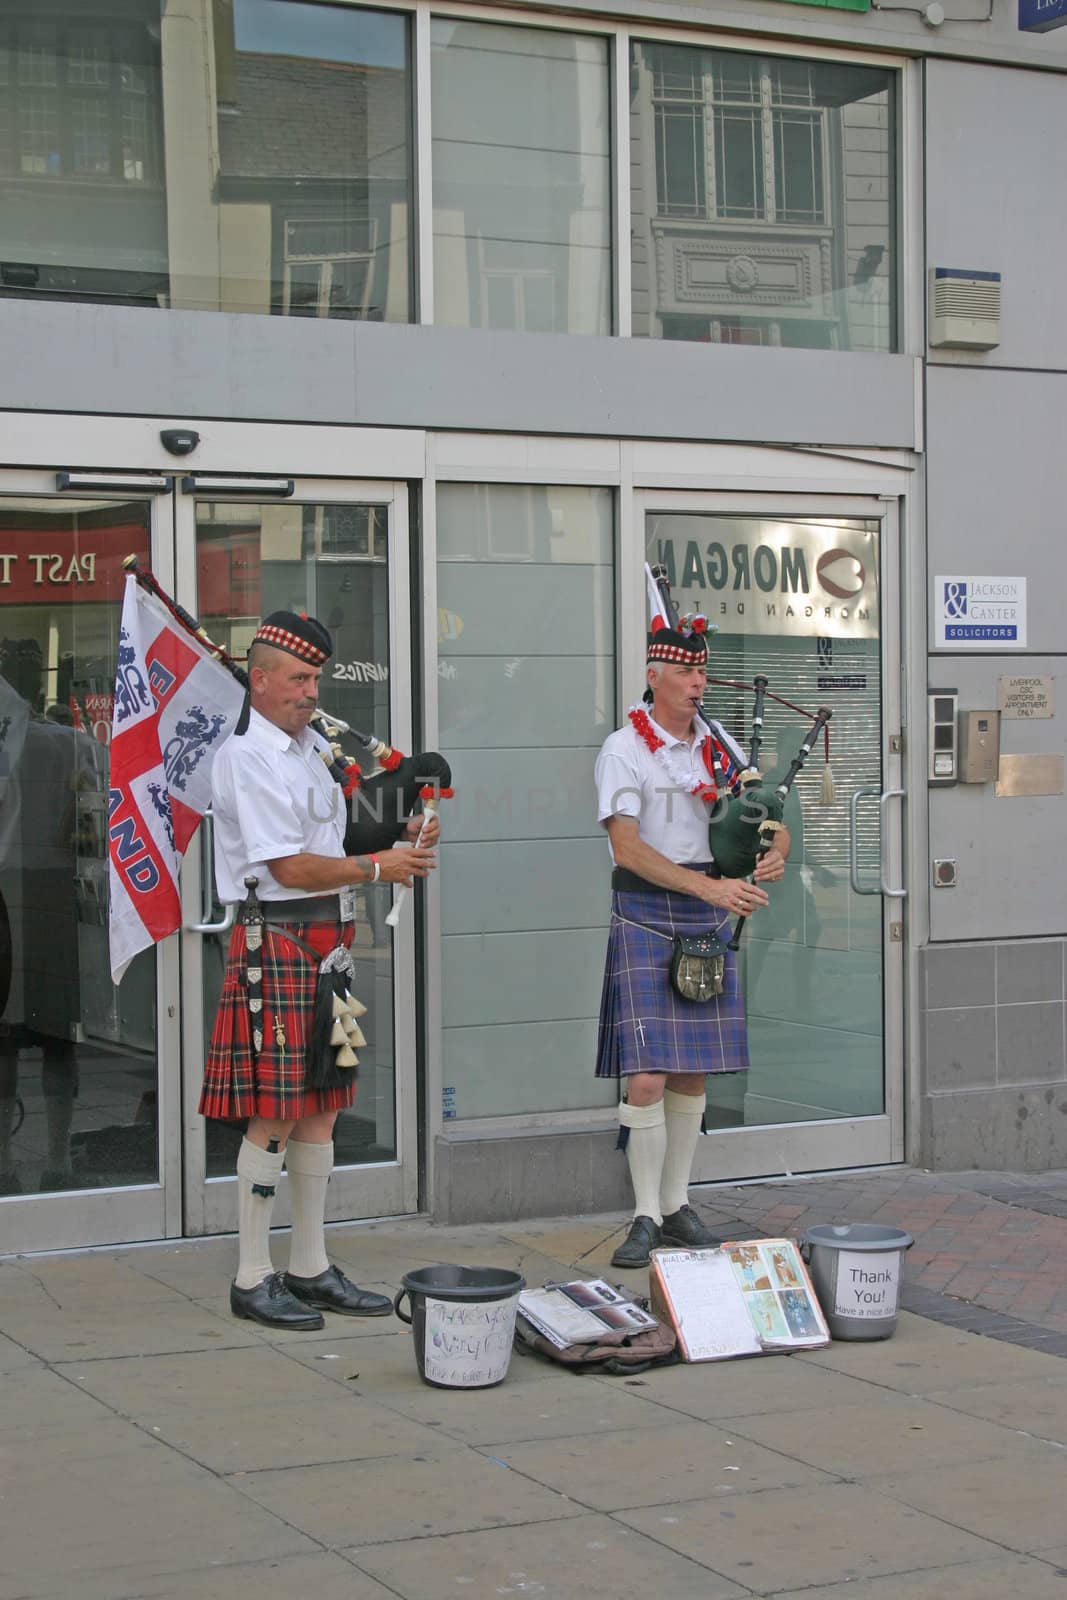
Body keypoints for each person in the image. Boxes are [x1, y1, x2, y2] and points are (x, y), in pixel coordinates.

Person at [199, 611, 437, 1329]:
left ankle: (308, 1265)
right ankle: (250, 1275)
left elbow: (330, 837)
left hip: (326, 944)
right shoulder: (248, 756)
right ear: (260, 679)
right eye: (298, 679)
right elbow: (289, 865)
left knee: (323, 1107)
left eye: (316, 679)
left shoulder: (309, 751)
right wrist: (377, 865)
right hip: (274, 941)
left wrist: (404, 828)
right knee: (273, 1112)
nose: (310, 692)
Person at [594, 610, 790, 1267]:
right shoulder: (625, 748)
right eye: (682, 670)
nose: (696, 682)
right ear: (653, 677)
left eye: (701, 670)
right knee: (646, 1076)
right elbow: (626, 845)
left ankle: (677, 1205)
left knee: (691, 1073)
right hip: (649, 909)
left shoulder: (721, 748)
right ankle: (644, 1215)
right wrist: (706, 889)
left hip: (707, 911)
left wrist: (774, 851)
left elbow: (766, 819)